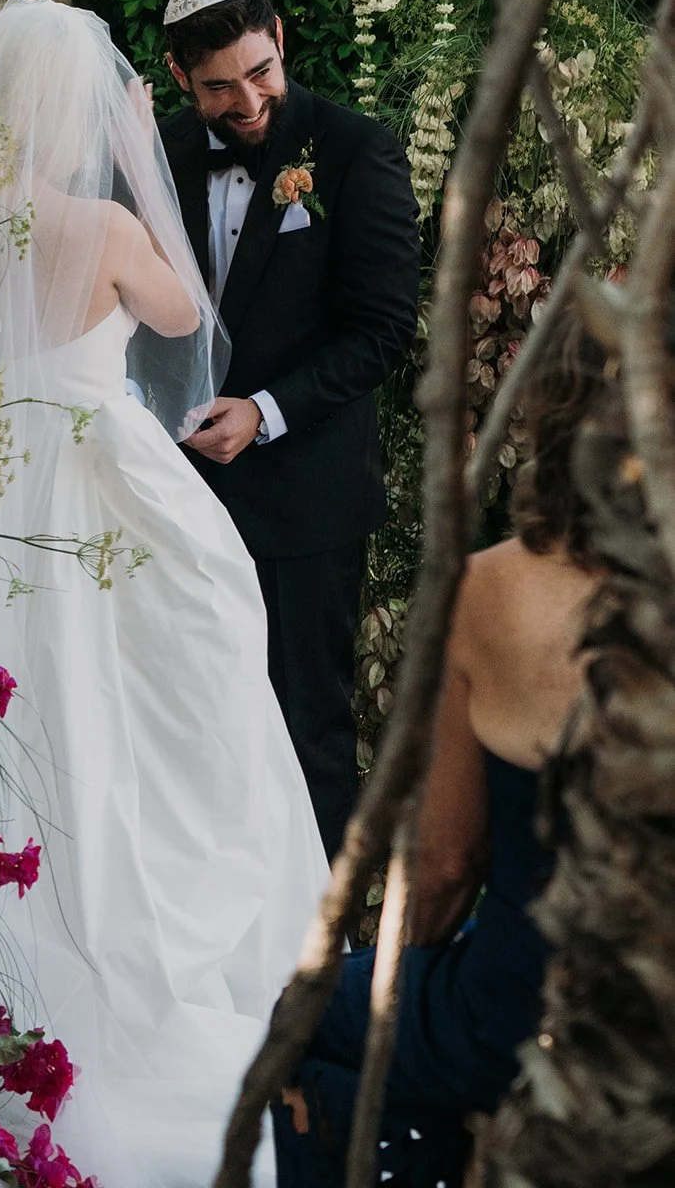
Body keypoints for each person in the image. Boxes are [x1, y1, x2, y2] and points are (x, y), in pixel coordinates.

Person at [0, 0, 330, 1188]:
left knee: (12, 715)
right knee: (149, 702)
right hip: (99, 487)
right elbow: (179, 313)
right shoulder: (102, 224)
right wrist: (136, 185)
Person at [272, 301, 608, 1187]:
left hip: (526, 1018)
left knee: (302, 1016)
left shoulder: (492, 589)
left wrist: (397, 972)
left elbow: (449, 861)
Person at [158, 0, 421, 857]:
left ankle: (327, 949)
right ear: (177, 76)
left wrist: (264, 412)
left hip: (304, 500)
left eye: (260, 72)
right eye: (219, 87)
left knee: (305, 723)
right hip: (178, 501)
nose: (246, 101)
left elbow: (382, 332)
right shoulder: (159, 154)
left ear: (280, 35)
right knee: (196, 723)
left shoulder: (354, 150)